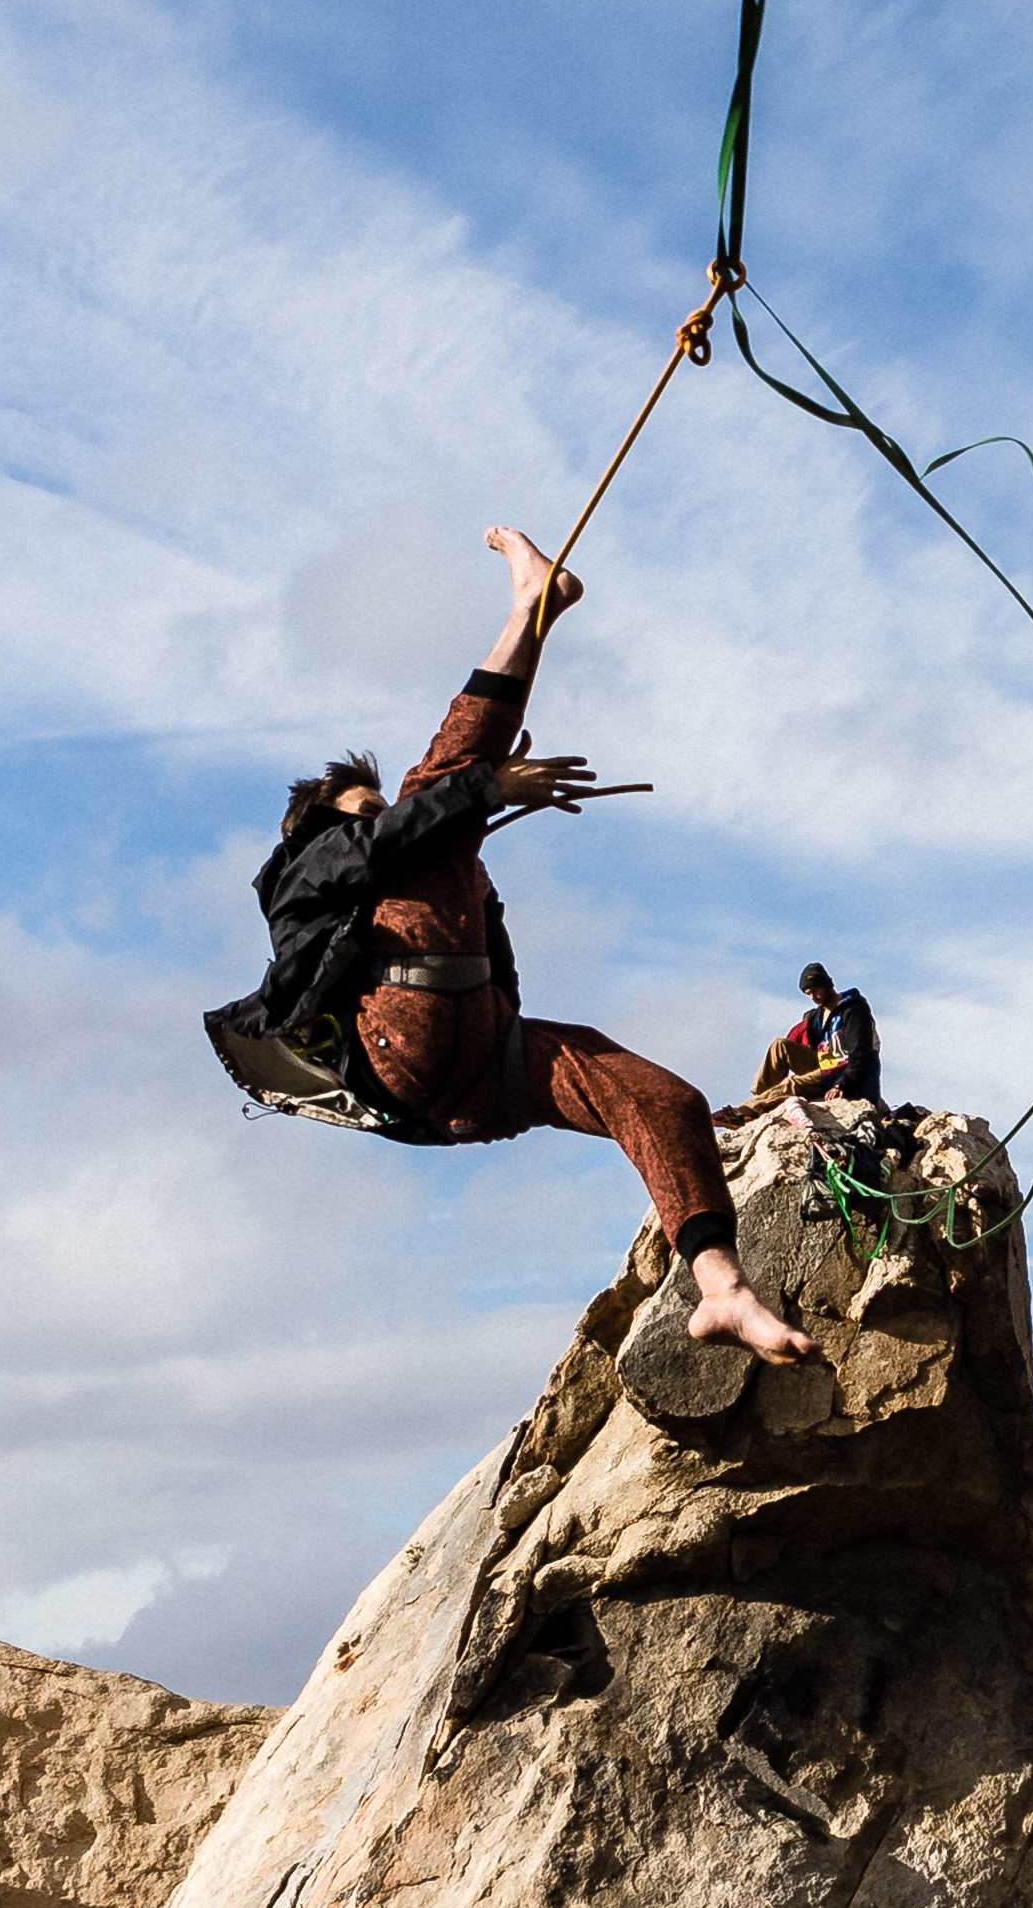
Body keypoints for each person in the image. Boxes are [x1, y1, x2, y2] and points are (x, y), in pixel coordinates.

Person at [274, 532, 814, 1367]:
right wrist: (479, 788)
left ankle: (722, 1290)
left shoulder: (444, 867)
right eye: (363, 810)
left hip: (482, 1064)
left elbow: (494, 955)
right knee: (433, 797)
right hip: (399, 1054)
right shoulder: (308, 867)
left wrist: (476, 810)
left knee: (660, 1098)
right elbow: (407, 824)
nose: (379, 818)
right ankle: (530, 608)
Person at [731, 962, 881, 1124]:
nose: (813, 997)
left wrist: (841, 1085)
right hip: (827, 1065)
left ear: (827, 985)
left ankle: (742, 1113)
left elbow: (861, 1055)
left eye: (815, 991)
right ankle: (761, 1098)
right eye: (808, 994)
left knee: (793, 1084)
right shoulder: (817, 1018)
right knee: (780, 1045)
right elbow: (802, 1042)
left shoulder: (853, 1010)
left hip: (846, 1073)